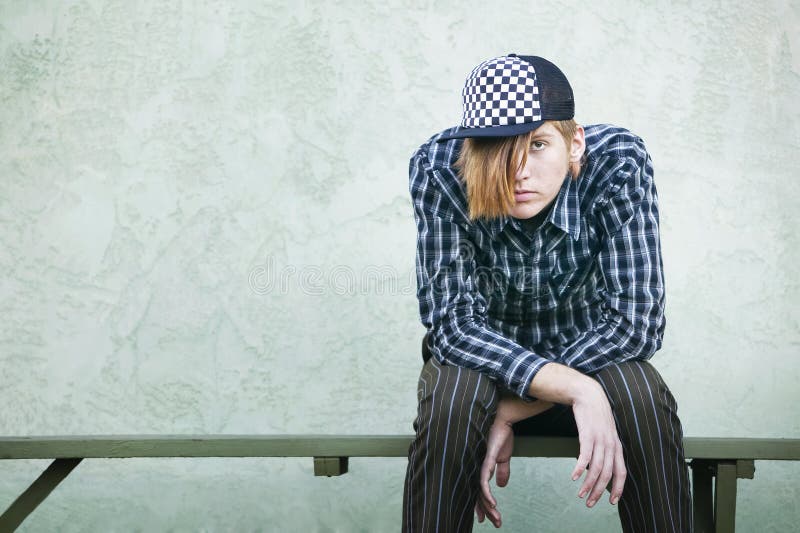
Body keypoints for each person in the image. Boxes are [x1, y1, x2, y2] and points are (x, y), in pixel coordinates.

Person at [402, 54, 692, 532]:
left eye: (537, 144)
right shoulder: (439, 170)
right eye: (497, 149)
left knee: (637, 390)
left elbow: (635, 323)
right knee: (455, 396)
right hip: (482, 382)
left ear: (574, 143)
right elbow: (452, 325)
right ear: (472, 148)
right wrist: (572, 387)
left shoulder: (617, 162)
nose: (518, 171)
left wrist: (515, 410)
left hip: (589, 365)